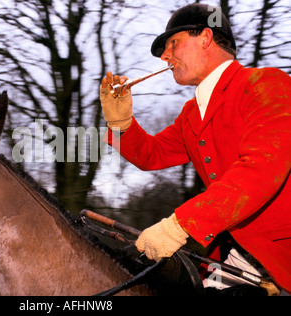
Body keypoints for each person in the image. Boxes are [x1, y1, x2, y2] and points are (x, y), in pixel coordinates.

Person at [100, 3, 291, 295]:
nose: (165, 56)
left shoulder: (268, 84)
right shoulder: (191, 114)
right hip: (231, 258)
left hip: (279, 258)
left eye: (173, 44)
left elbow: (261, 168)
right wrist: (120, 122)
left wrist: (180, 225)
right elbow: (151, 154)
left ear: (205, 38)